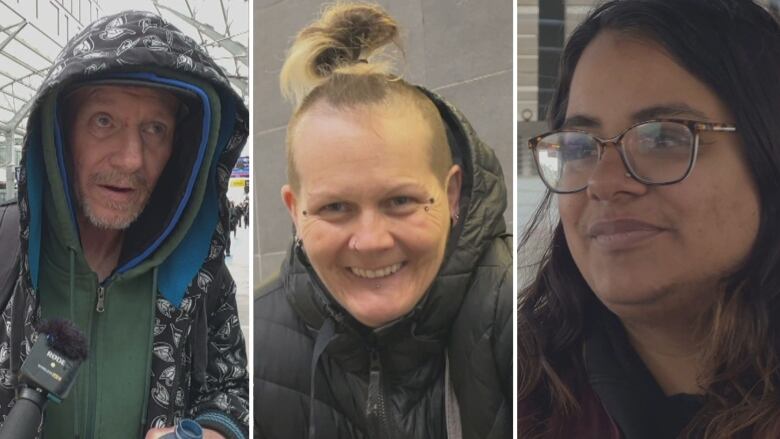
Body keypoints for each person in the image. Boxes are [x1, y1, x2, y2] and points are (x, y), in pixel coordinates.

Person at [518, 0, 780, 437]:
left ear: (766, 149)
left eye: (662, 138)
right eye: (580, 146)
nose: (603, 183)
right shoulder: (517, 399)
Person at [254, 3, 511, 439]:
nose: (371, 241)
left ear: (451, 194)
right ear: (295, 212)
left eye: (401, 201)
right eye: (335, 208)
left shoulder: (516, 321)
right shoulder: (255, 345)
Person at [0, 11, 249, 439]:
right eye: (103, 121)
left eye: (155, 128)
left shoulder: (201, 277)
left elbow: (231, 389)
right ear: (60, 134)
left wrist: (214, 432)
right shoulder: (6, 255)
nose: (131, 158)